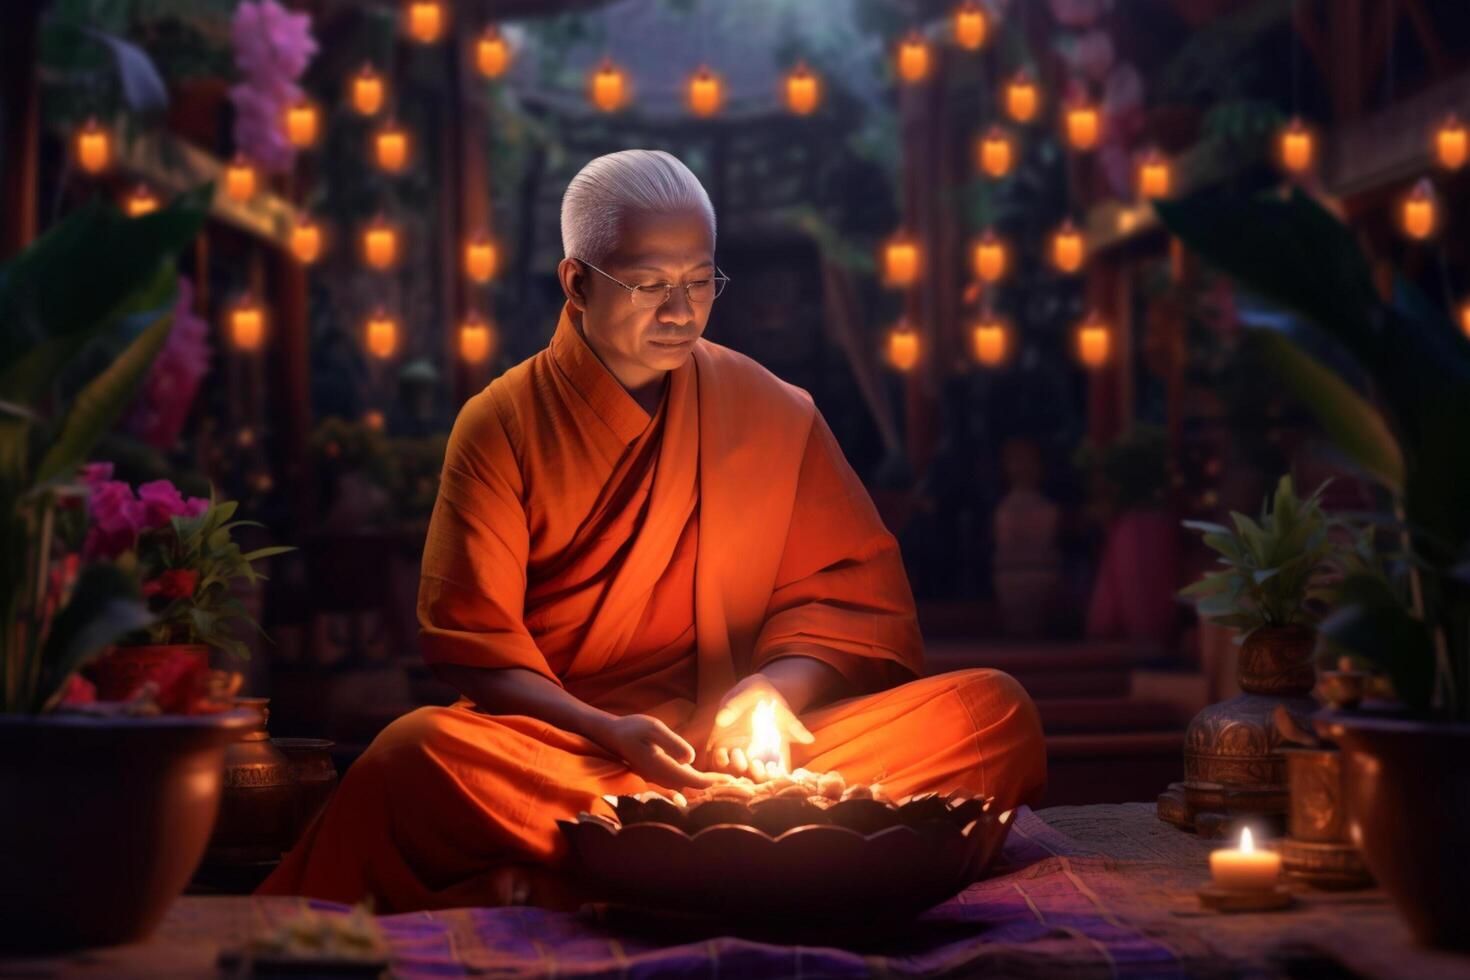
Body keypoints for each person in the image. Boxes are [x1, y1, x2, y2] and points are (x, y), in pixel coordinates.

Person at [259, 150, 1045, 912]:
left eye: (701, 282)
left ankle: (621, 868)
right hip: (570, 752)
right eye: (648, 285)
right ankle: (776, 862)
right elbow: (477, 649)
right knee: (411, 759)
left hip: (741, 753)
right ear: (576, 283)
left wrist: (771, 691)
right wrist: (608, 730)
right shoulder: (500, 424)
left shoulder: (772, 411)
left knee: (992, 714)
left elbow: (849, 605)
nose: (681, 311)